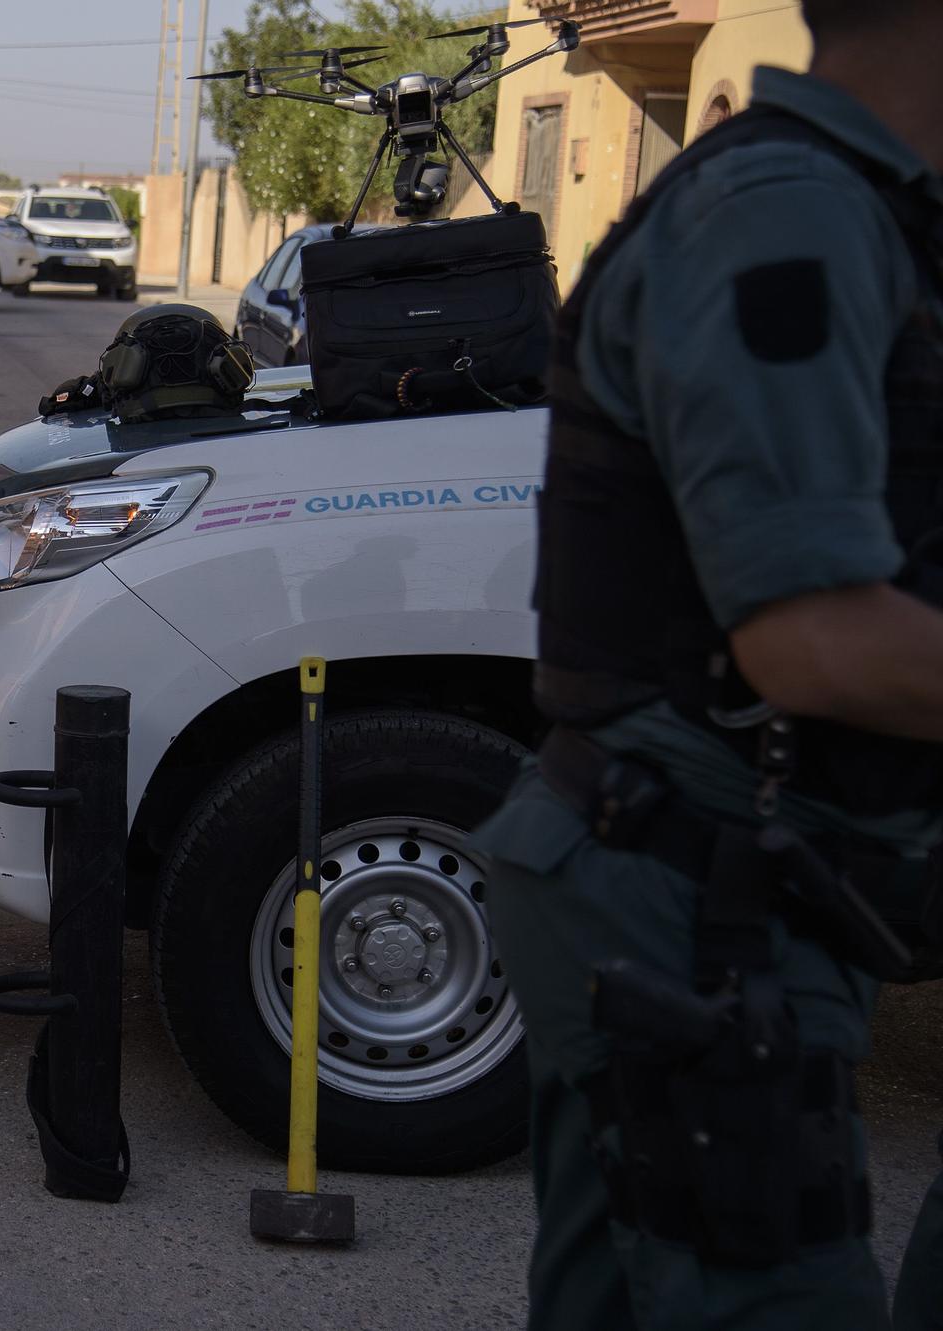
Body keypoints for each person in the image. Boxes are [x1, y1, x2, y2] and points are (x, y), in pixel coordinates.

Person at [472, 1, 943, 1326]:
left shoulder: (865, 213)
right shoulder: (787, 211)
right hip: (689, 902)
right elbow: (813, 634)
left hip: (746, 887)